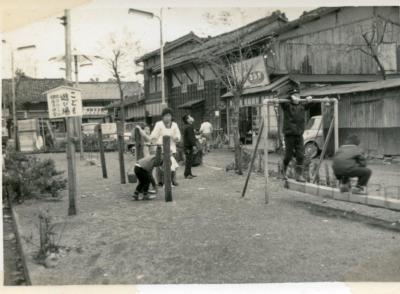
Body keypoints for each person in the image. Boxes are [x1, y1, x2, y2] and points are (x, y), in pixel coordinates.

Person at [277, 87, 313, 182]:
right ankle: (282, 171)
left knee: (300, 155)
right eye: (295, 96)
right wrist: (290, 97)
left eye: (298, 95)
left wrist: (309, 99)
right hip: (289, 134)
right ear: (292, 97)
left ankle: (299, 175)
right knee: (288, 155)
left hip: (299, 134)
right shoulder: (287, 105)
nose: (298, 98)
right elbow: (280, 98)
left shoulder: (302, 106)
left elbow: (309, 103)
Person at [150, 108, 181, 187]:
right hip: (161, 147)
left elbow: (177, 134)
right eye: (166, 116)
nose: (167, 118)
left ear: (171, 117)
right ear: (162, 117)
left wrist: (177, 138)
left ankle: (173, 180)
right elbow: (154, 135)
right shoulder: (159, 124)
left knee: (172, 164)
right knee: (160, 165)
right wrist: (154, 141)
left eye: (169, 116)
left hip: (171, 147)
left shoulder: (174, 125)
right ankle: (160, 181)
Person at [135, 123, 157, 194]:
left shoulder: (149, 137)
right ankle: (149, 188)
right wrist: (140, 129)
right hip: (145, 158)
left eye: (149, 129)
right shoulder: (144, 138)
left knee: (149, 174)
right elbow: (143, 135)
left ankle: (152, 187)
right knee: (146, 175)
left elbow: (145, 136)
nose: (149, 130)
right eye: (147, 129)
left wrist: (139, 128)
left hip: (149, 158)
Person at [182, 114, 198, 179]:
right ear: (187, 120)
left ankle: (189, 173)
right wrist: (194, 145)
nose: (192, 118)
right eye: (190, 117)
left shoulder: (187, 126)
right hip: (188, 146)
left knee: (189, 160)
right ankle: (187, 174)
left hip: (187, 145)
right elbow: (190, 137)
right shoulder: (189, 127)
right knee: (189, 160)